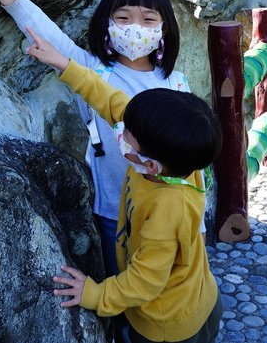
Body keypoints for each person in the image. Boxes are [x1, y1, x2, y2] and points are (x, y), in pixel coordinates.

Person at [0, 0, 189, 277]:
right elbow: (45, 31)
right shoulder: (92, 71)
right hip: (113, 212)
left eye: (148, 20)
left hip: (167, 209)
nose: (136, 28)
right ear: (107, 23)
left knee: (166, 283)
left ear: (164, 28)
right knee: (122, 283)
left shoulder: (177, 84)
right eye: (123, 18)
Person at [24, 28, 223, 343]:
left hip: (168, 324)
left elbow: (146, 281)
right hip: (195, 291)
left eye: (126, 133)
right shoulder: (170, 157)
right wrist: (64, 64)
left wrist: (95, 294)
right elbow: (112, 100)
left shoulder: (169, 208)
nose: (120, 129)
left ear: (150, 165)